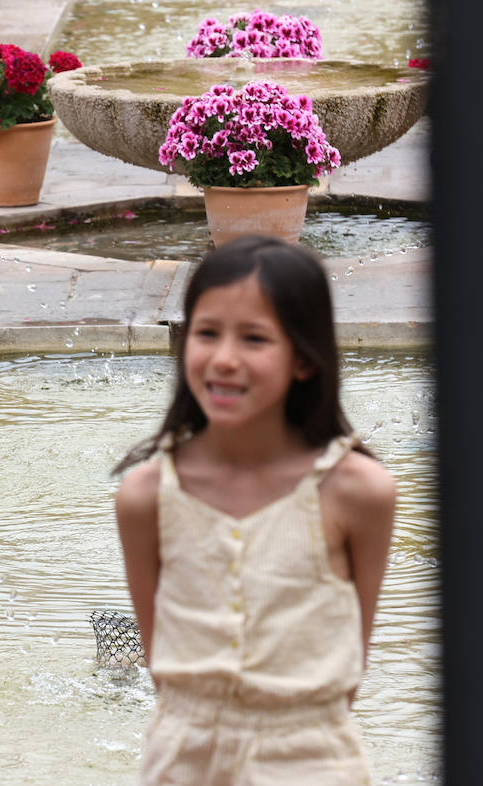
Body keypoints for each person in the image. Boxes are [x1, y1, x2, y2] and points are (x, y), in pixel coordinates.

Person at [112, 236, 396, 784]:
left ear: (306, 359)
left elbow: (351, 663)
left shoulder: (358, 492)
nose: (224, 358)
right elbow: (161, 663)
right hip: (181, 761)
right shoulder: (146, 497)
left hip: (313, 760)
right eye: (207, 332)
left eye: (256, 338)